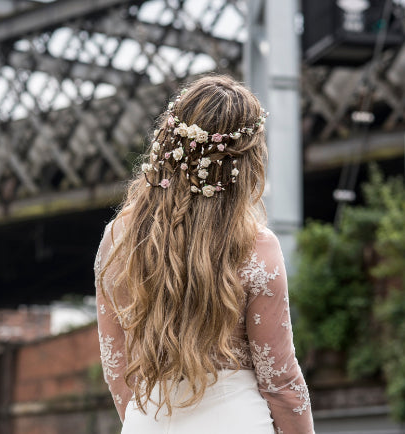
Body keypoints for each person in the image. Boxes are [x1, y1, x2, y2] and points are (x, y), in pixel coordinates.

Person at [94, 75, 314, 433]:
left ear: (169, 141)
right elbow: (282, 383)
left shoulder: (119, 239)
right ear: (248, 159)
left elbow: (116, 365)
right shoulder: (257, 247)